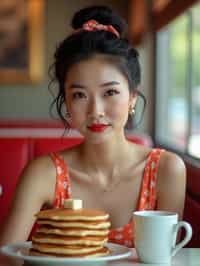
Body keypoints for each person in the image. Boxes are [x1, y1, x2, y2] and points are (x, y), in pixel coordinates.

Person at [0, 5, 186, 248]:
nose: (95, 111)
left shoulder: (167, 170)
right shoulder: (44, 174)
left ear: (132, 97)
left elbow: (167, 258)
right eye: (79, 95)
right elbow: (7, 258)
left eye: (110, 92)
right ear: (65, 101)